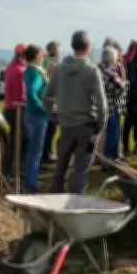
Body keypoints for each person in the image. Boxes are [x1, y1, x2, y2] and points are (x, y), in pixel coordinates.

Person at [44, 30, 108, 193]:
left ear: (72, 46)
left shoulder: (59, 69)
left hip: (66, 125)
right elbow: (101, 103)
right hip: (86, 126)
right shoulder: (92, 70)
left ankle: (53, 204)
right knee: (80, 170)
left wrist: (56, 116)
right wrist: (100, 126)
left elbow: (47, 97)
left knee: (61, 168)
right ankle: (75, 205)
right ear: (88, 47)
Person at [22, 45, 50, 191]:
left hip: (31, 115)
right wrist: (43, 107)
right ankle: (31, 183)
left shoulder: (32, 70)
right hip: (37, 116)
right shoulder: (35, 73)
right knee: (35, 151)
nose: (43, 57)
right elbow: (32, 93)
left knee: (32, 150)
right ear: (35, 56)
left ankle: (29, 178)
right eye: (41, 55)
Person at [1, 43, 28, 179]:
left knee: (14, 140)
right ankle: (13, 171)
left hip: (8, 108)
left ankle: (6, 170)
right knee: (19, 142)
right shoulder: (20, 71)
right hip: (17, 109)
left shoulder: (10, 67)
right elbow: (22, 95)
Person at [99, 46, 129, 164]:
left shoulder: (99, 69)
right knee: (113, 133)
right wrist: (125, 84)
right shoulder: (110, 72)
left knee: (112, 132)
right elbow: (118, 90)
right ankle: (109, 159)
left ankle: (114, 156)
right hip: (112, 106)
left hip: (103, 106)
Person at [41, 41, 61, 163]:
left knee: (48, 126)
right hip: (53, 98)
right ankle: (47, 153)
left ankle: (45, 152)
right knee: (52, 126)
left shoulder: (43, 61)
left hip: (45, 97)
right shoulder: (53, 64)